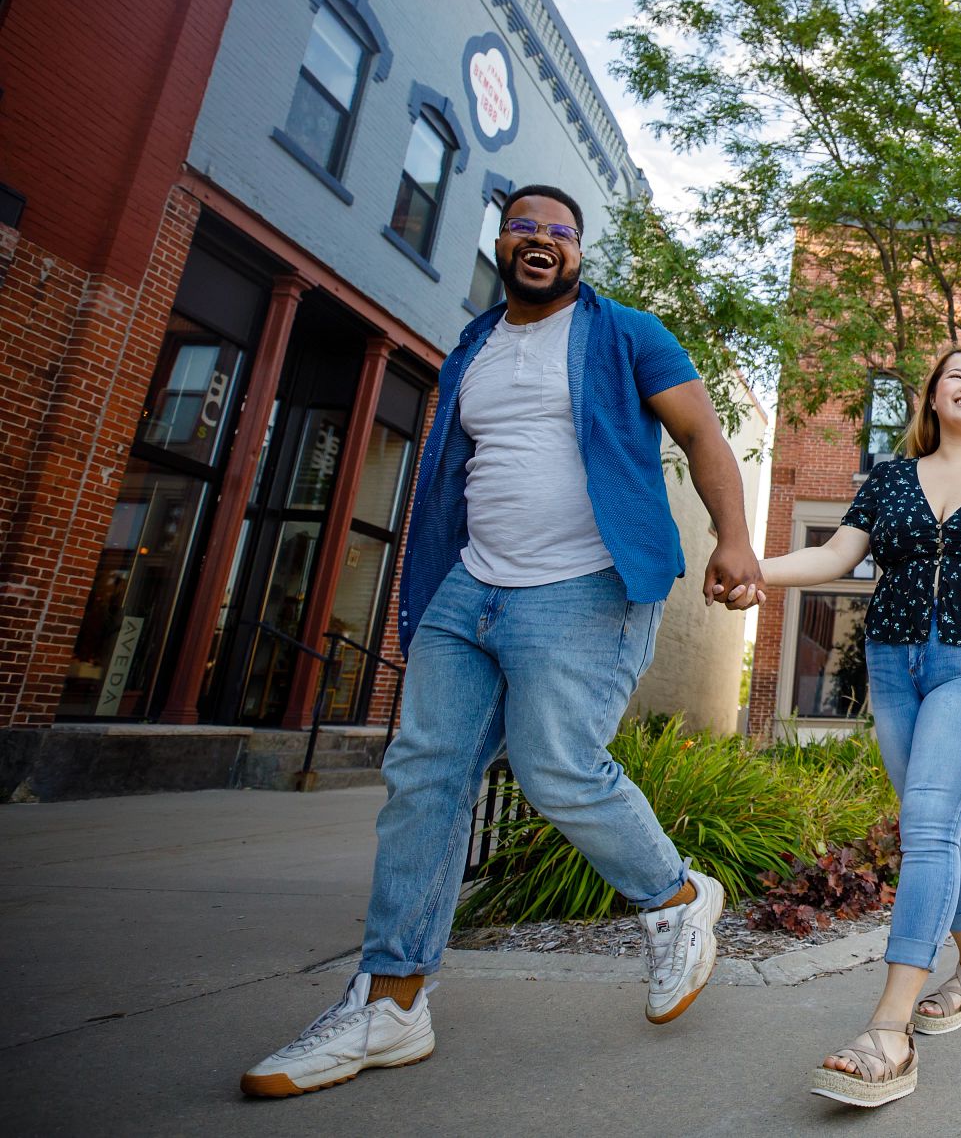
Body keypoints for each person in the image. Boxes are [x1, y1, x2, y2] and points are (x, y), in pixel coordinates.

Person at [240, 186, 764, 1098]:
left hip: (586, 583)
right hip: (471, 582)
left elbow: (703, 434)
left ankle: (676, 899)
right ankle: (392, 1000)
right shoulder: (472, 348)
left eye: (562, 232)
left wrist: (733, 537)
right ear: (501, 238)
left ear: (578, 253)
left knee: (554, 762)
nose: (542, 240)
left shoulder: (628, 334)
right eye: (526, 225)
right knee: (424, 774)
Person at [733, 346, 961, 1108]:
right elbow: (838, 554)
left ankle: (888, 1031)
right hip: (896, 661)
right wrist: (754, 570)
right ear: (931, 397)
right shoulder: (892, 479)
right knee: (936, 818)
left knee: (928, 825)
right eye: (954, 377)